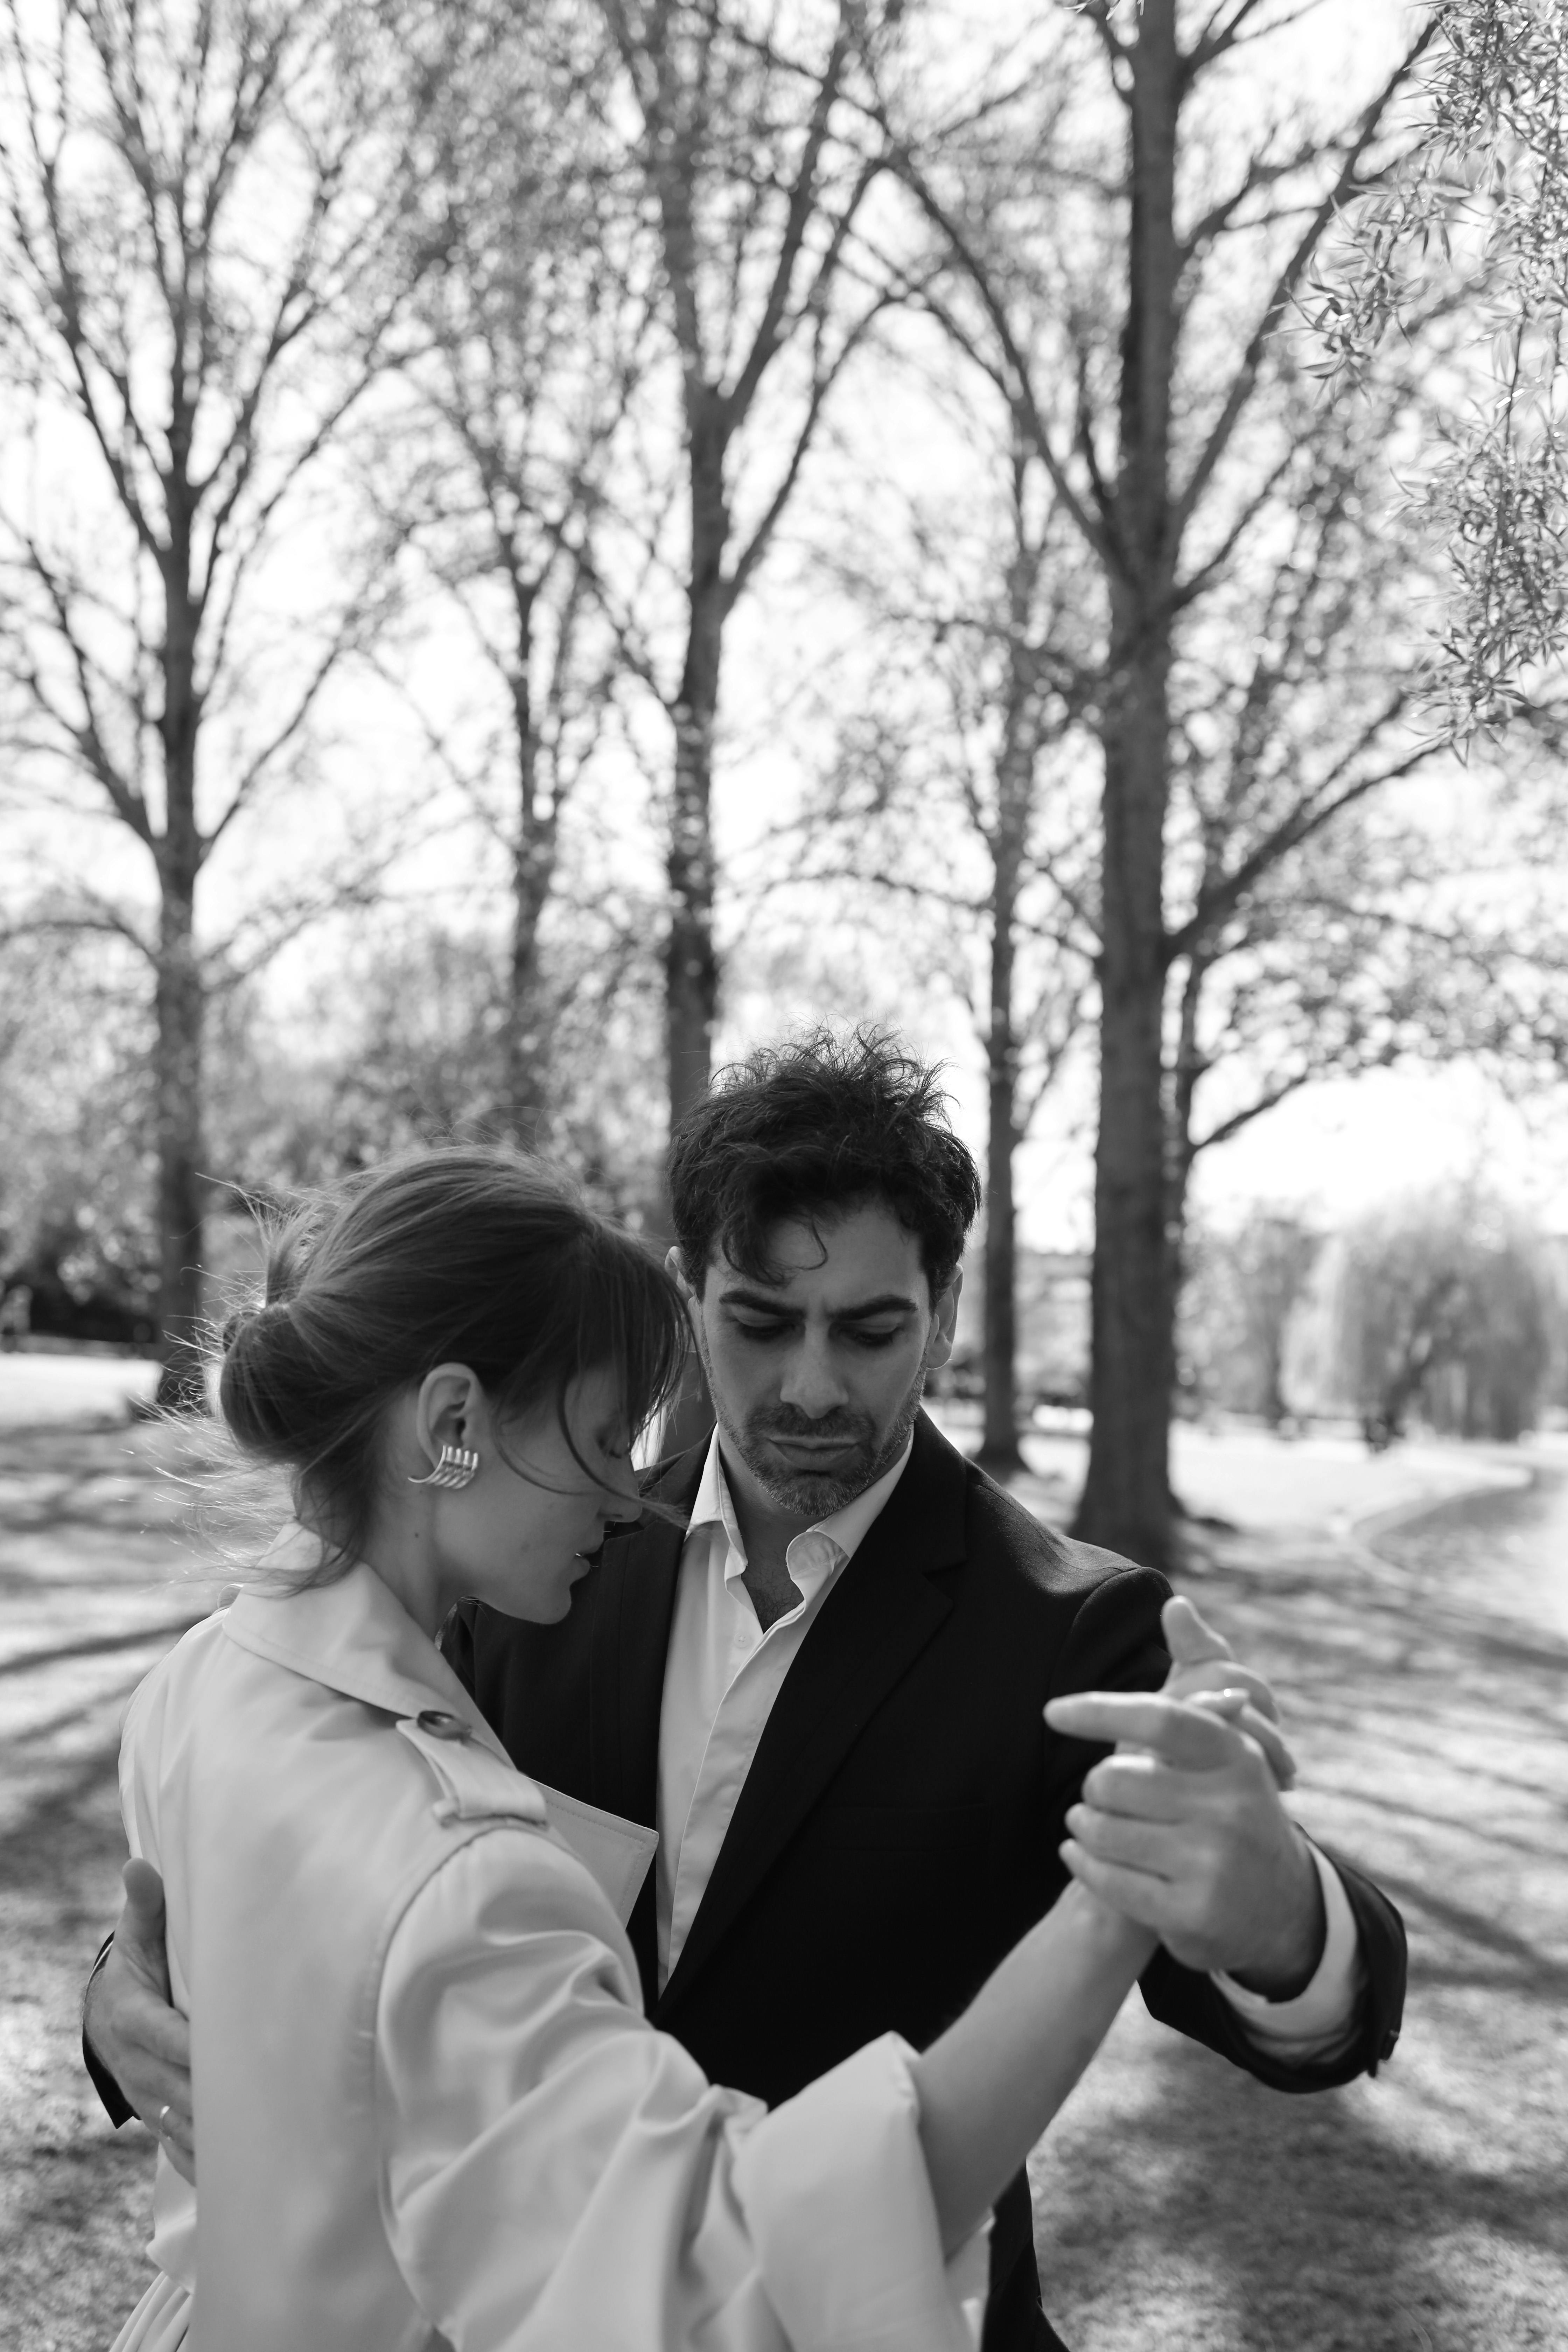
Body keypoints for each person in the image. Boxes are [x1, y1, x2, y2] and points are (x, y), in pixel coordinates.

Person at [87, 1037, 1408, 2349]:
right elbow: (329, 1846)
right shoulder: (531, 1544)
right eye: (761, 1323)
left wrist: (1285, 1909)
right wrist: (124, 1998)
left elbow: (1314, 2001)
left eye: (874, 1329)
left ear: (944, 1311)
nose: (814, 1385)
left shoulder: (1071, 1629)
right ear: (689, 1291)